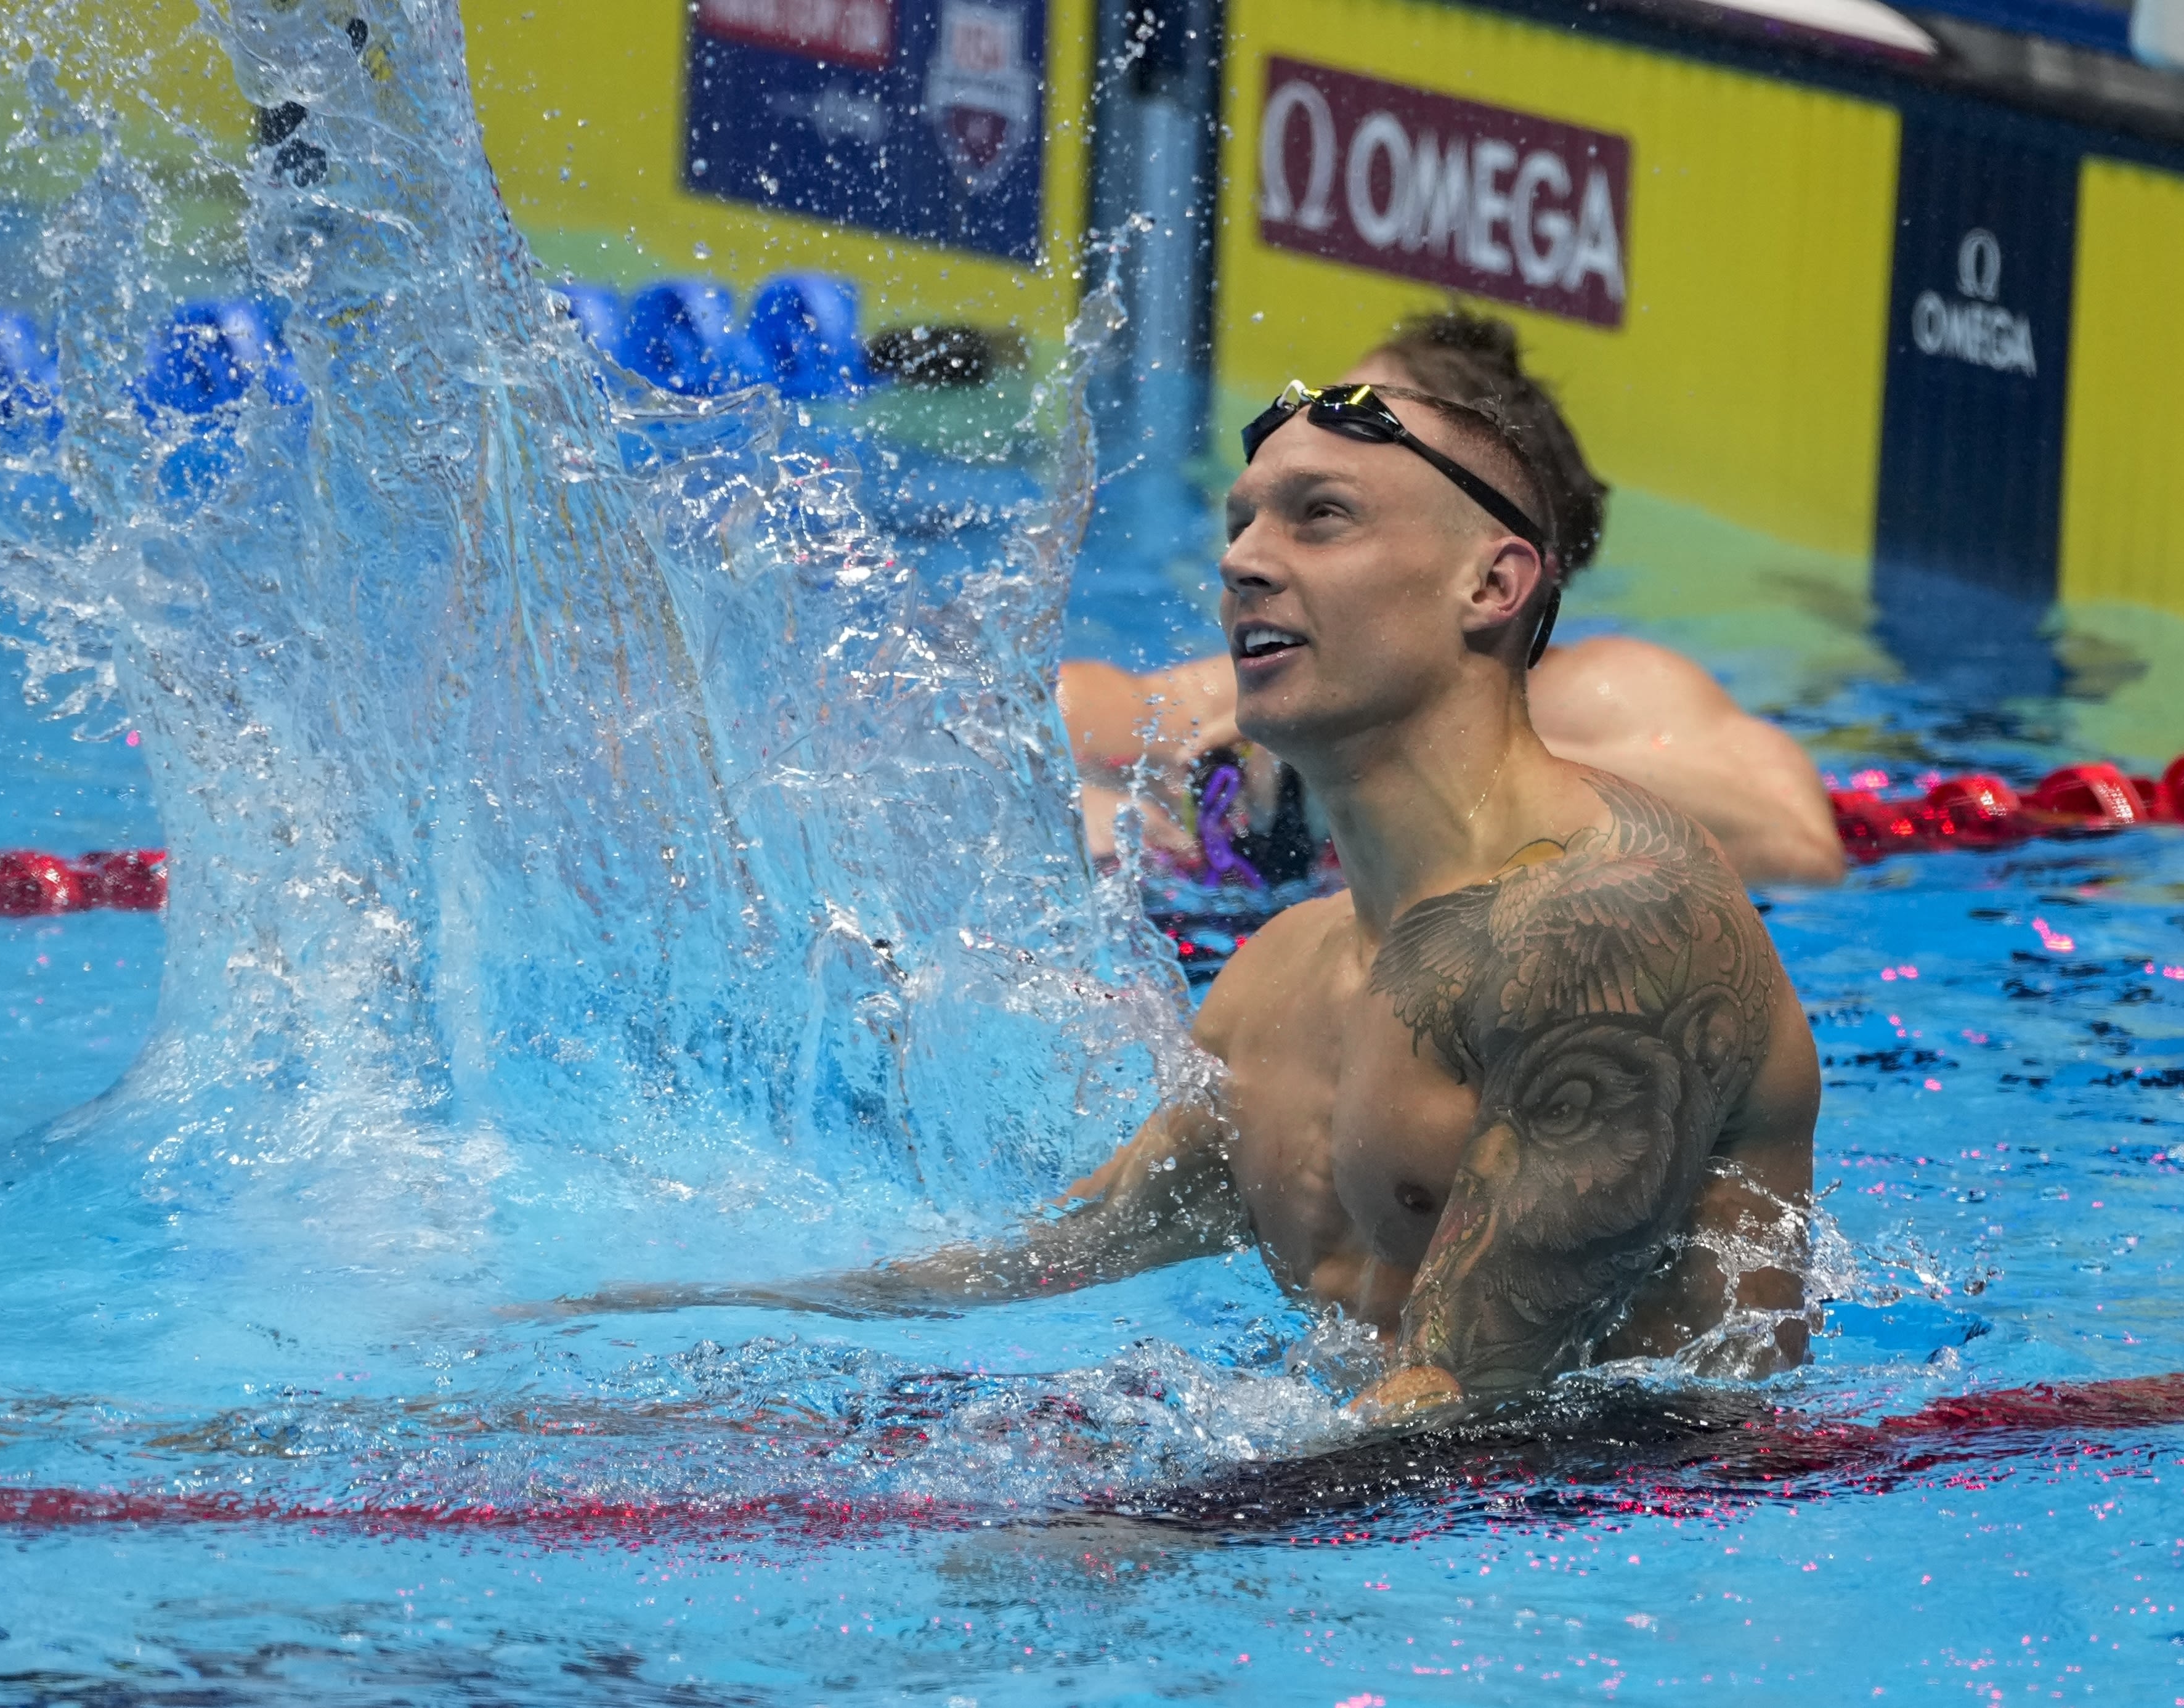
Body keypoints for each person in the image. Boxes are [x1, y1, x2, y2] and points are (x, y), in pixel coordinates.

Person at [529, 374, 1821, 1425]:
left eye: (1319, 518)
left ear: (1493, 585)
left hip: (1617, 1585)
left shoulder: (1614, 923)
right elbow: (1049, 1261)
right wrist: (643, 1334)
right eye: (1241, 523)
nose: (1246, 563)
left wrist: (1120, 1544)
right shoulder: (1281, 979)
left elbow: (1466, 1419)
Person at [1061, 309, 1847, 891]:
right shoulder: (1317, 681)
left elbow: (1796, 846)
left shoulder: (1600, 687)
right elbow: (1067, 713)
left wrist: (1421, 758)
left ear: (1489, 571)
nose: (1243, 559)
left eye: (1331, 501)